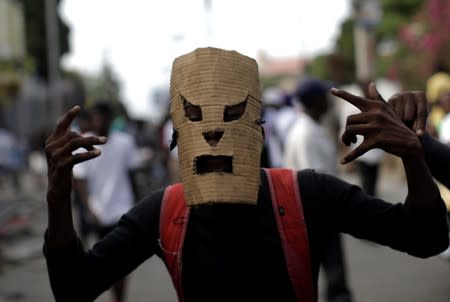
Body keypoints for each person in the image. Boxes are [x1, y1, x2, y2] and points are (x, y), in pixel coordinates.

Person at [43, 48, 449, 302]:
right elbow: (74, 288)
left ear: (258, 131)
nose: (215, 133)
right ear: (176, 138)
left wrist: (413, 153)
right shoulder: (164, 213)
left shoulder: (306, 194)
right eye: (195, 118)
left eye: (234, 114)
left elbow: (426, 238)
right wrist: (58, 198)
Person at [284, 79, 353, 302]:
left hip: (320, 211)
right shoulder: (306, 133)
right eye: (324, 97)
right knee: (333, 273)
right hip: (318, 214)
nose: (328, 101)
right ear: (315, 102)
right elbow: (314, 180)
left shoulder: (313, 127)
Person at [71, 102, 140, 302]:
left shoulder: (125, 142)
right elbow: (80, 182)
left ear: (110, 119)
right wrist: (88, 209)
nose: (99, 121)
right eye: (96, 117)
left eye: (103, 117)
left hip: (122, 210)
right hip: (99, 212)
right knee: (103, 262)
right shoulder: (84, 142)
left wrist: (137, 203)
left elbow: (132, 174)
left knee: (121, 263)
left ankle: (119, 299)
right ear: (92, 119)